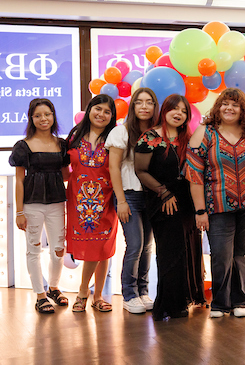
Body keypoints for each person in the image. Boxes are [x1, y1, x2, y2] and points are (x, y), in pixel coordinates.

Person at [185, 88, 245, 319]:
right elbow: (194, 174)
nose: (229, 108)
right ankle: (220, 303)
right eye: (225, 104)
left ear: (243, 110)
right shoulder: (205, 132)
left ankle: (241, 301)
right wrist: (200, 210)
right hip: (217, 205)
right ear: (218, 107)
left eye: (235, 105)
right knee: (220, 254)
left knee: (242, 252)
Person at [135, 94, 205, 321]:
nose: (179, 114)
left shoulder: (189, 137)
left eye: (184, 111)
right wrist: (164, 193)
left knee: (188, 250)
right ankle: (169, 304)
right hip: (163, 201)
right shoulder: (150, 137)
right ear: (164, 111)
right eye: (174, 109)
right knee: (170, 253)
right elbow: (141, 171)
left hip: (188, 202)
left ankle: (184, 299)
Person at [9, 98, 71, 314]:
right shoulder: (23, 146)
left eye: (47, 114)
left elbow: (66, 176)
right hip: (32, 205)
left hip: (57, 203)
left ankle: (54, 287)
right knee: (33, 250)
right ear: (31, 118)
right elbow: (18, 180)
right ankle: (40, 295)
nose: (43, 119)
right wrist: (19, 212)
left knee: (58, 250)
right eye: (38, 115)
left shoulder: (62, 144)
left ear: (53, 116)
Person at [106, 88, 159, 314]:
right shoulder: (121, 132)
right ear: (133, 106)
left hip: (152, 197)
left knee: (148, 246)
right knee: (135, 245)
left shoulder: (158, 133)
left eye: (149, 102)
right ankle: (129, 294)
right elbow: (113, 167)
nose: (144, 106)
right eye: (139, 102)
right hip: (129, 195)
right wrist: (121, 201)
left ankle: (143, 291)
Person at [66, 94, 118, 312]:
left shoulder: (115, 137)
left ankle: (91, 295)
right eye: (98, 109)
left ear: (112, 117)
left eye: (108, 111)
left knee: (103, 246)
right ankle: (89, 293)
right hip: (78, 201)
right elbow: (64, 166)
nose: (102, 114)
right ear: (89, 110)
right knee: (90, 245)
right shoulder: (75, 136)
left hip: (106, 200)